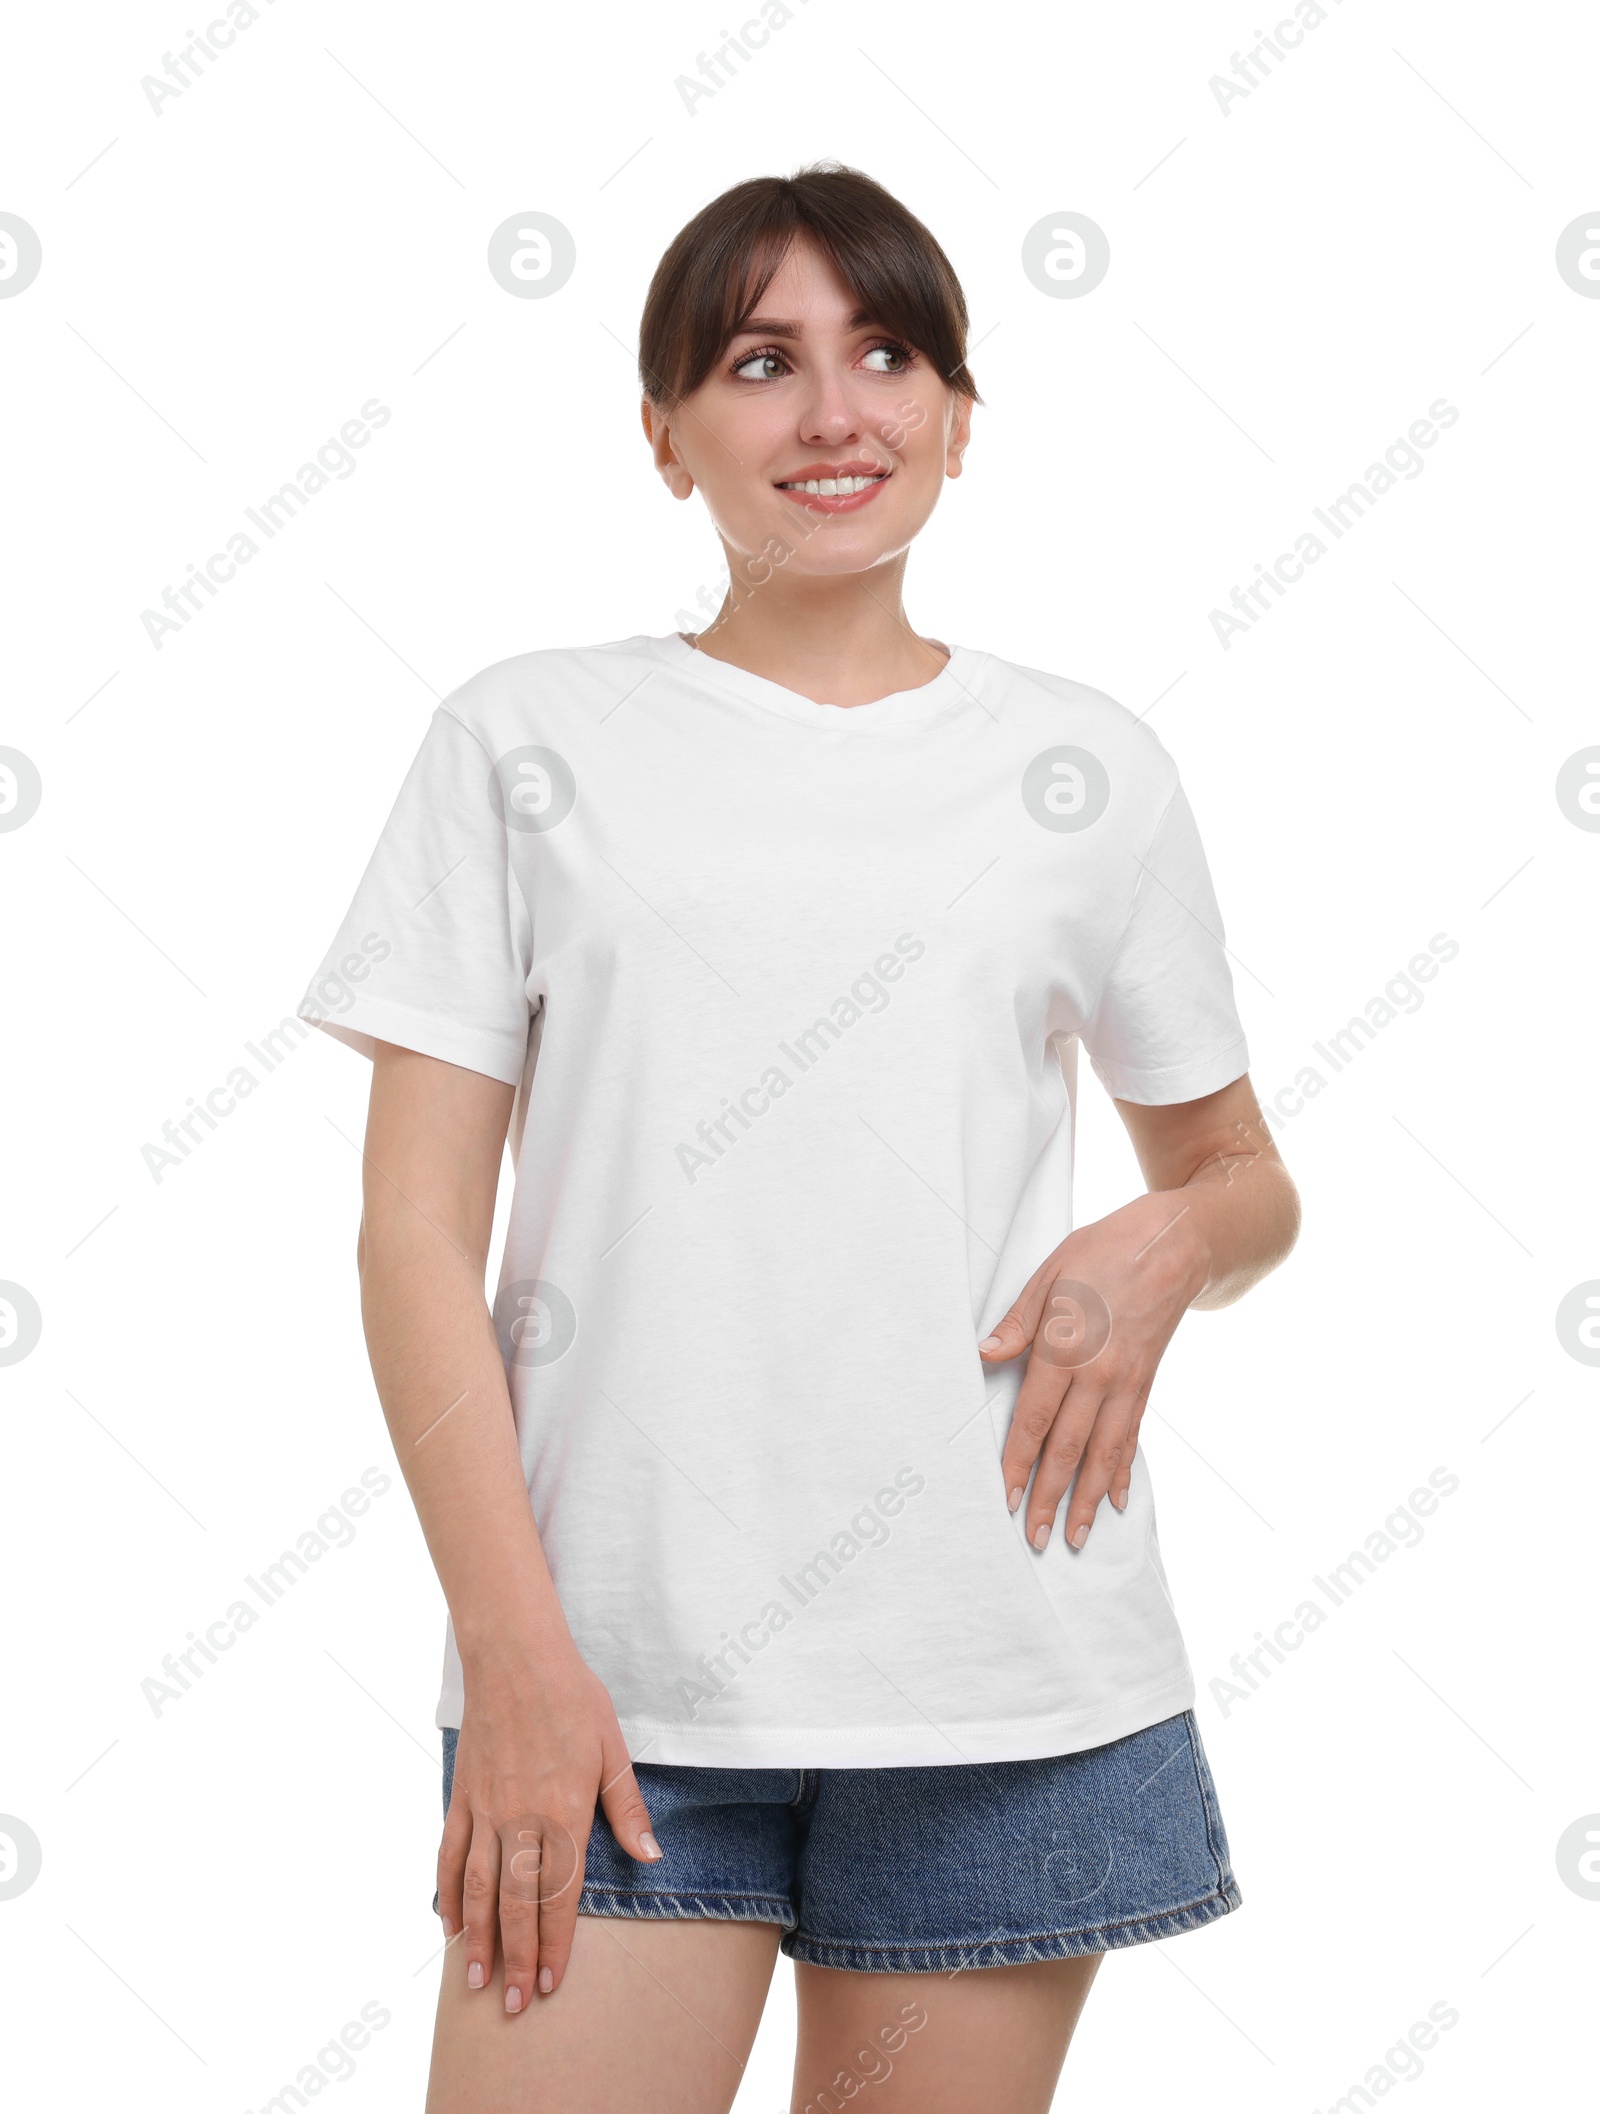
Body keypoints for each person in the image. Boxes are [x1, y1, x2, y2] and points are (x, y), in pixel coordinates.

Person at [298, 161, 1301, 2114]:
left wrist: (1168, 1242)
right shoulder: (523, 742)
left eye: (886, 353)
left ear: (953, 413)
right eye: (761, 361)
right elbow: (408, 1240)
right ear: (664, 432)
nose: (833, 412)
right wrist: (515, 1657)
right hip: (605, 1695)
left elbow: (1241, 1174)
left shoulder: (1080, 772)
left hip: (1007, 1678)